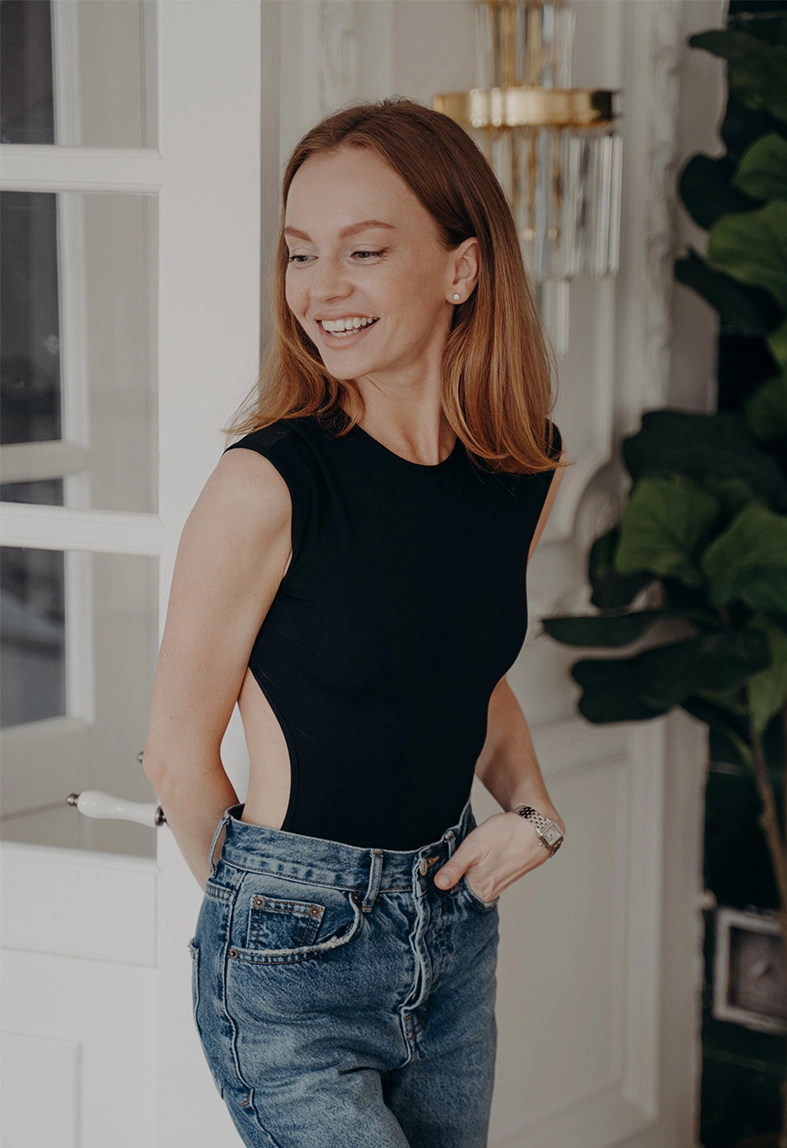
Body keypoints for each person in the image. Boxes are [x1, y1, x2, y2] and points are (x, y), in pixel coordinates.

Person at [141, 96, 570, 1148]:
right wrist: (283, 923)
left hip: (454, 930)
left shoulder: (522, 466)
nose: (319, 289)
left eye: (364, 251)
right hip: (297, 945)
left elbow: (465, 670)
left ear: (461, 269)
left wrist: (535, 809)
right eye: (298, 254)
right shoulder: (269, 481)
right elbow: (174, 755)